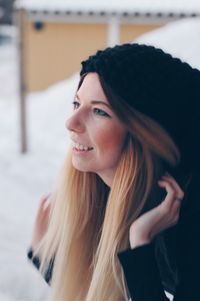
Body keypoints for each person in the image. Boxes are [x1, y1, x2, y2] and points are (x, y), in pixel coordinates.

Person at [27, 43, 200, 301]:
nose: (71, 122)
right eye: (77, 103)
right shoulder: (113, 194)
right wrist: (49, 260)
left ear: (145, 135)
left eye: (99, 111)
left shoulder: (193, 210)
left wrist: (139, 244)